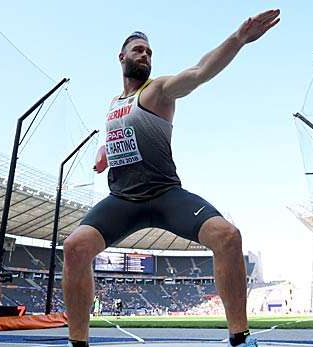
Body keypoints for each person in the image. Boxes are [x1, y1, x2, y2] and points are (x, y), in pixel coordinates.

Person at [63, 9, 280, 347]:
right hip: (123, 200)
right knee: (75, 247)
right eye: (138, 50)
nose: (145, 55)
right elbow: (121, 131)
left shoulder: (159, 90)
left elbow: (199, 71)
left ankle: (242, 338)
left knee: (228, 236)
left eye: (148, 52)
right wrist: (105, 150)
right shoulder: (114, 102)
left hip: (165, 196)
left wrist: (238, 40)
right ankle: (77, 343)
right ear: (121, 57)